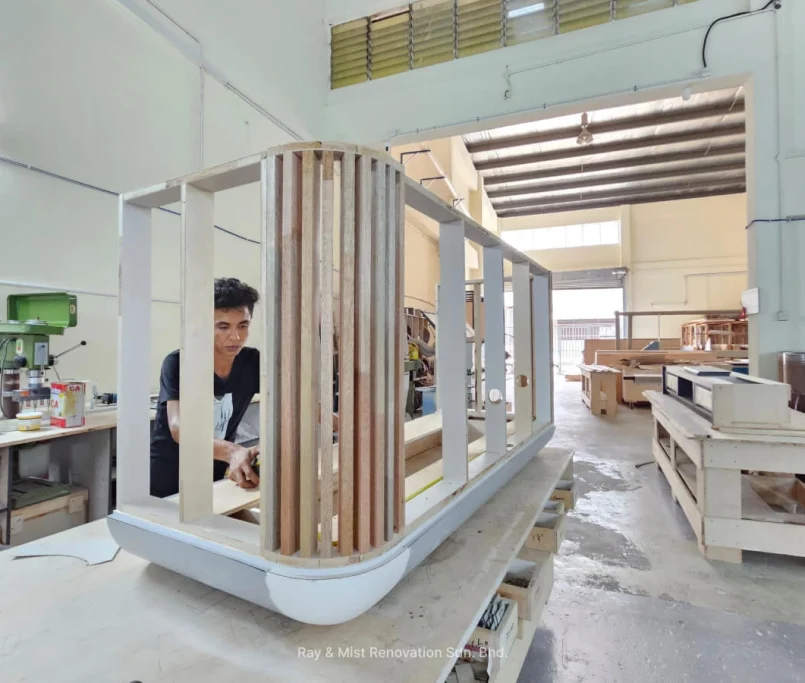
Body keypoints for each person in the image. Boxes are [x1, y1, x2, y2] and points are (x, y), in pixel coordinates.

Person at [150, 278, 261, 497]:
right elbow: (178, 428)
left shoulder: (251, 362)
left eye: (243, 325)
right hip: (170, 481)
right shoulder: (179, 362)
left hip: (215, 478)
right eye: (223, 327)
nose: (236, 337)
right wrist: (232, 451)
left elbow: (294, 403)